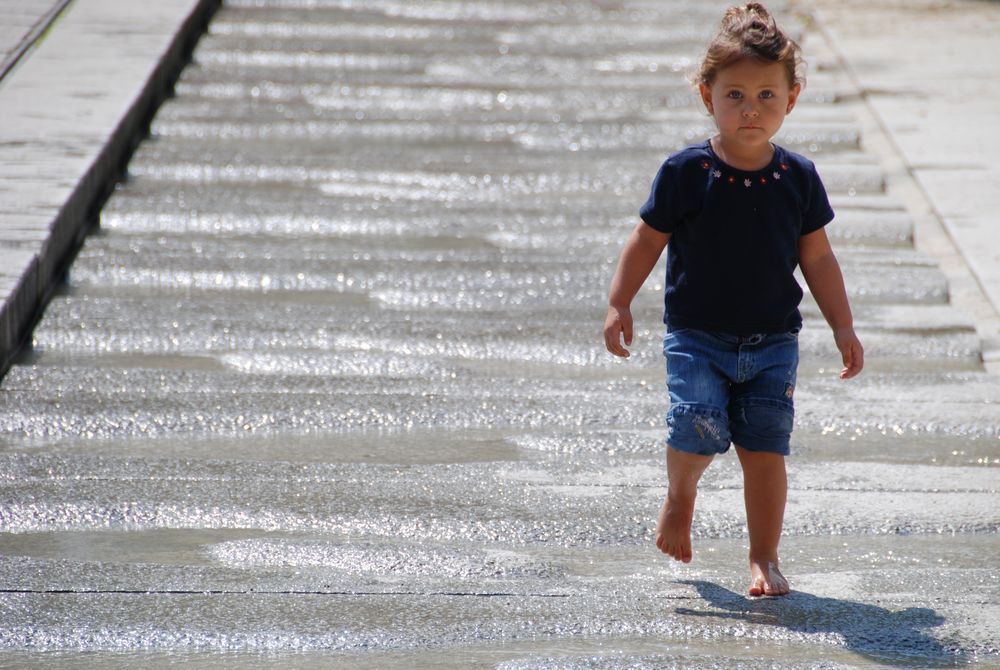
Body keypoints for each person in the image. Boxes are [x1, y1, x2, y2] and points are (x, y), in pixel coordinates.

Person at [602, 2, 863, 597]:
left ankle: (764, 558)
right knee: (695, 425)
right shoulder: (686, 172)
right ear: (707, 96)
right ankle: (680, 495)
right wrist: (620, 302)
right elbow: (647, 237)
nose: (752, 109)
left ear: (791, 99)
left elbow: (818, 258)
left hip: (774, 341)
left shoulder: (798, 177)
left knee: (765, 449)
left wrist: (843, 326)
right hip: (697, 335)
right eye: (736, 95)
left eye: (767, 96)